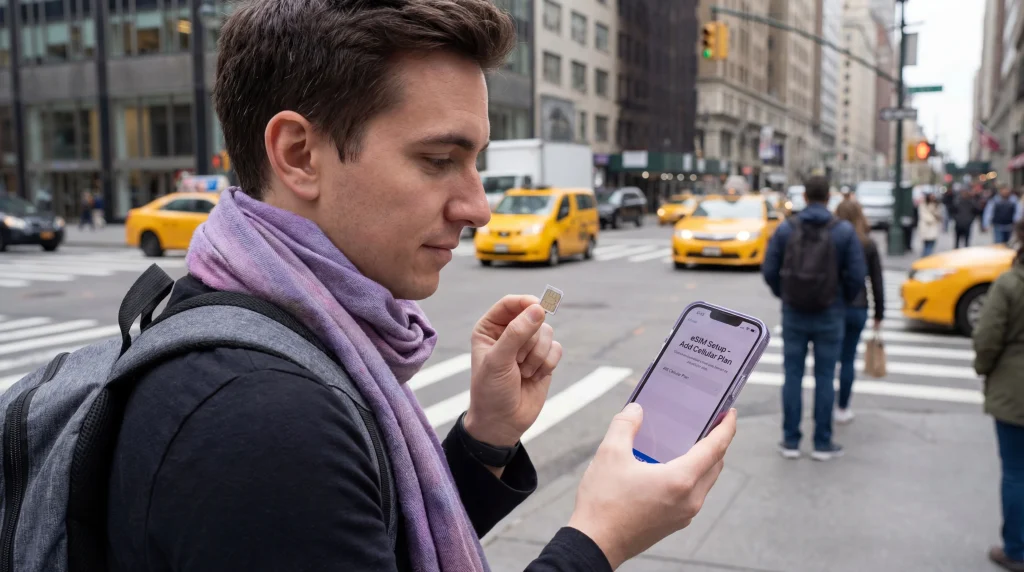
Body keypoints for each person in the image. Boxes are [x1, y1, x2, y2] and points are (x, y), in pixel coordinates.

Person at [105, 2, 739, 571]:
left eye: (475, 163)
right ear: (298, 154)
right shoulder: (264, 423)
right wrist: (601, 538)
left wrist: (486, 439)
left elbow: (376, 541)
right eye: (439, 161)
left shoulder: (262, 322)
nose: (480, 207)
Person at [763, 175, 867, 461]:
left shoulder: (787, 228)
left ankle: (791, 441)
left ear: (805, 197)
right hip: (830, 313)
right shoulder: (843, 231)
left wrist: (785, 294)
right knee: (824, 376)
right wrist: (839, 299)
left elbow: (769, 269)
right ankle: (822, 442)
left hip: (794, 311)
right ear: (828, 197)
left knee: (792, 376)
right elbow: (857, 276)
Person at [973, 219, 1024, 571]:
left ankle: (1017, 549)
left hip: (1015, 391)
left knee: (1017, 472)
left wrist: (984, 367)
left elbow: (987, 339)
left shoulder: (1010, 283)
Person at [832, 200, 883, 425]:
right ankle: (842, 407)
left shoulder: (831, 240)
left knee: (828, 361)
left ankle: (827, 404)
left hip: (833, 307)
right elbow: (876, 281)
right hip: (858, 307)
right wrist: (879, 313)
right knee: (848, 359)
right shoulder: (868, 243)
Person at [917, 193, 942, 257]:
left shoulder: (936, 205)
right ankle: (925, 259)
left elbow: (939, 215)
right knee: (927, 245)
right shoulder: (923, 205)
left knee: (931, 244)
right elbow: (925, 216)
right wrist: (934, 219)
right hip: (926, 228)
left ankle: (927, 258)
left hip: (933, 229)